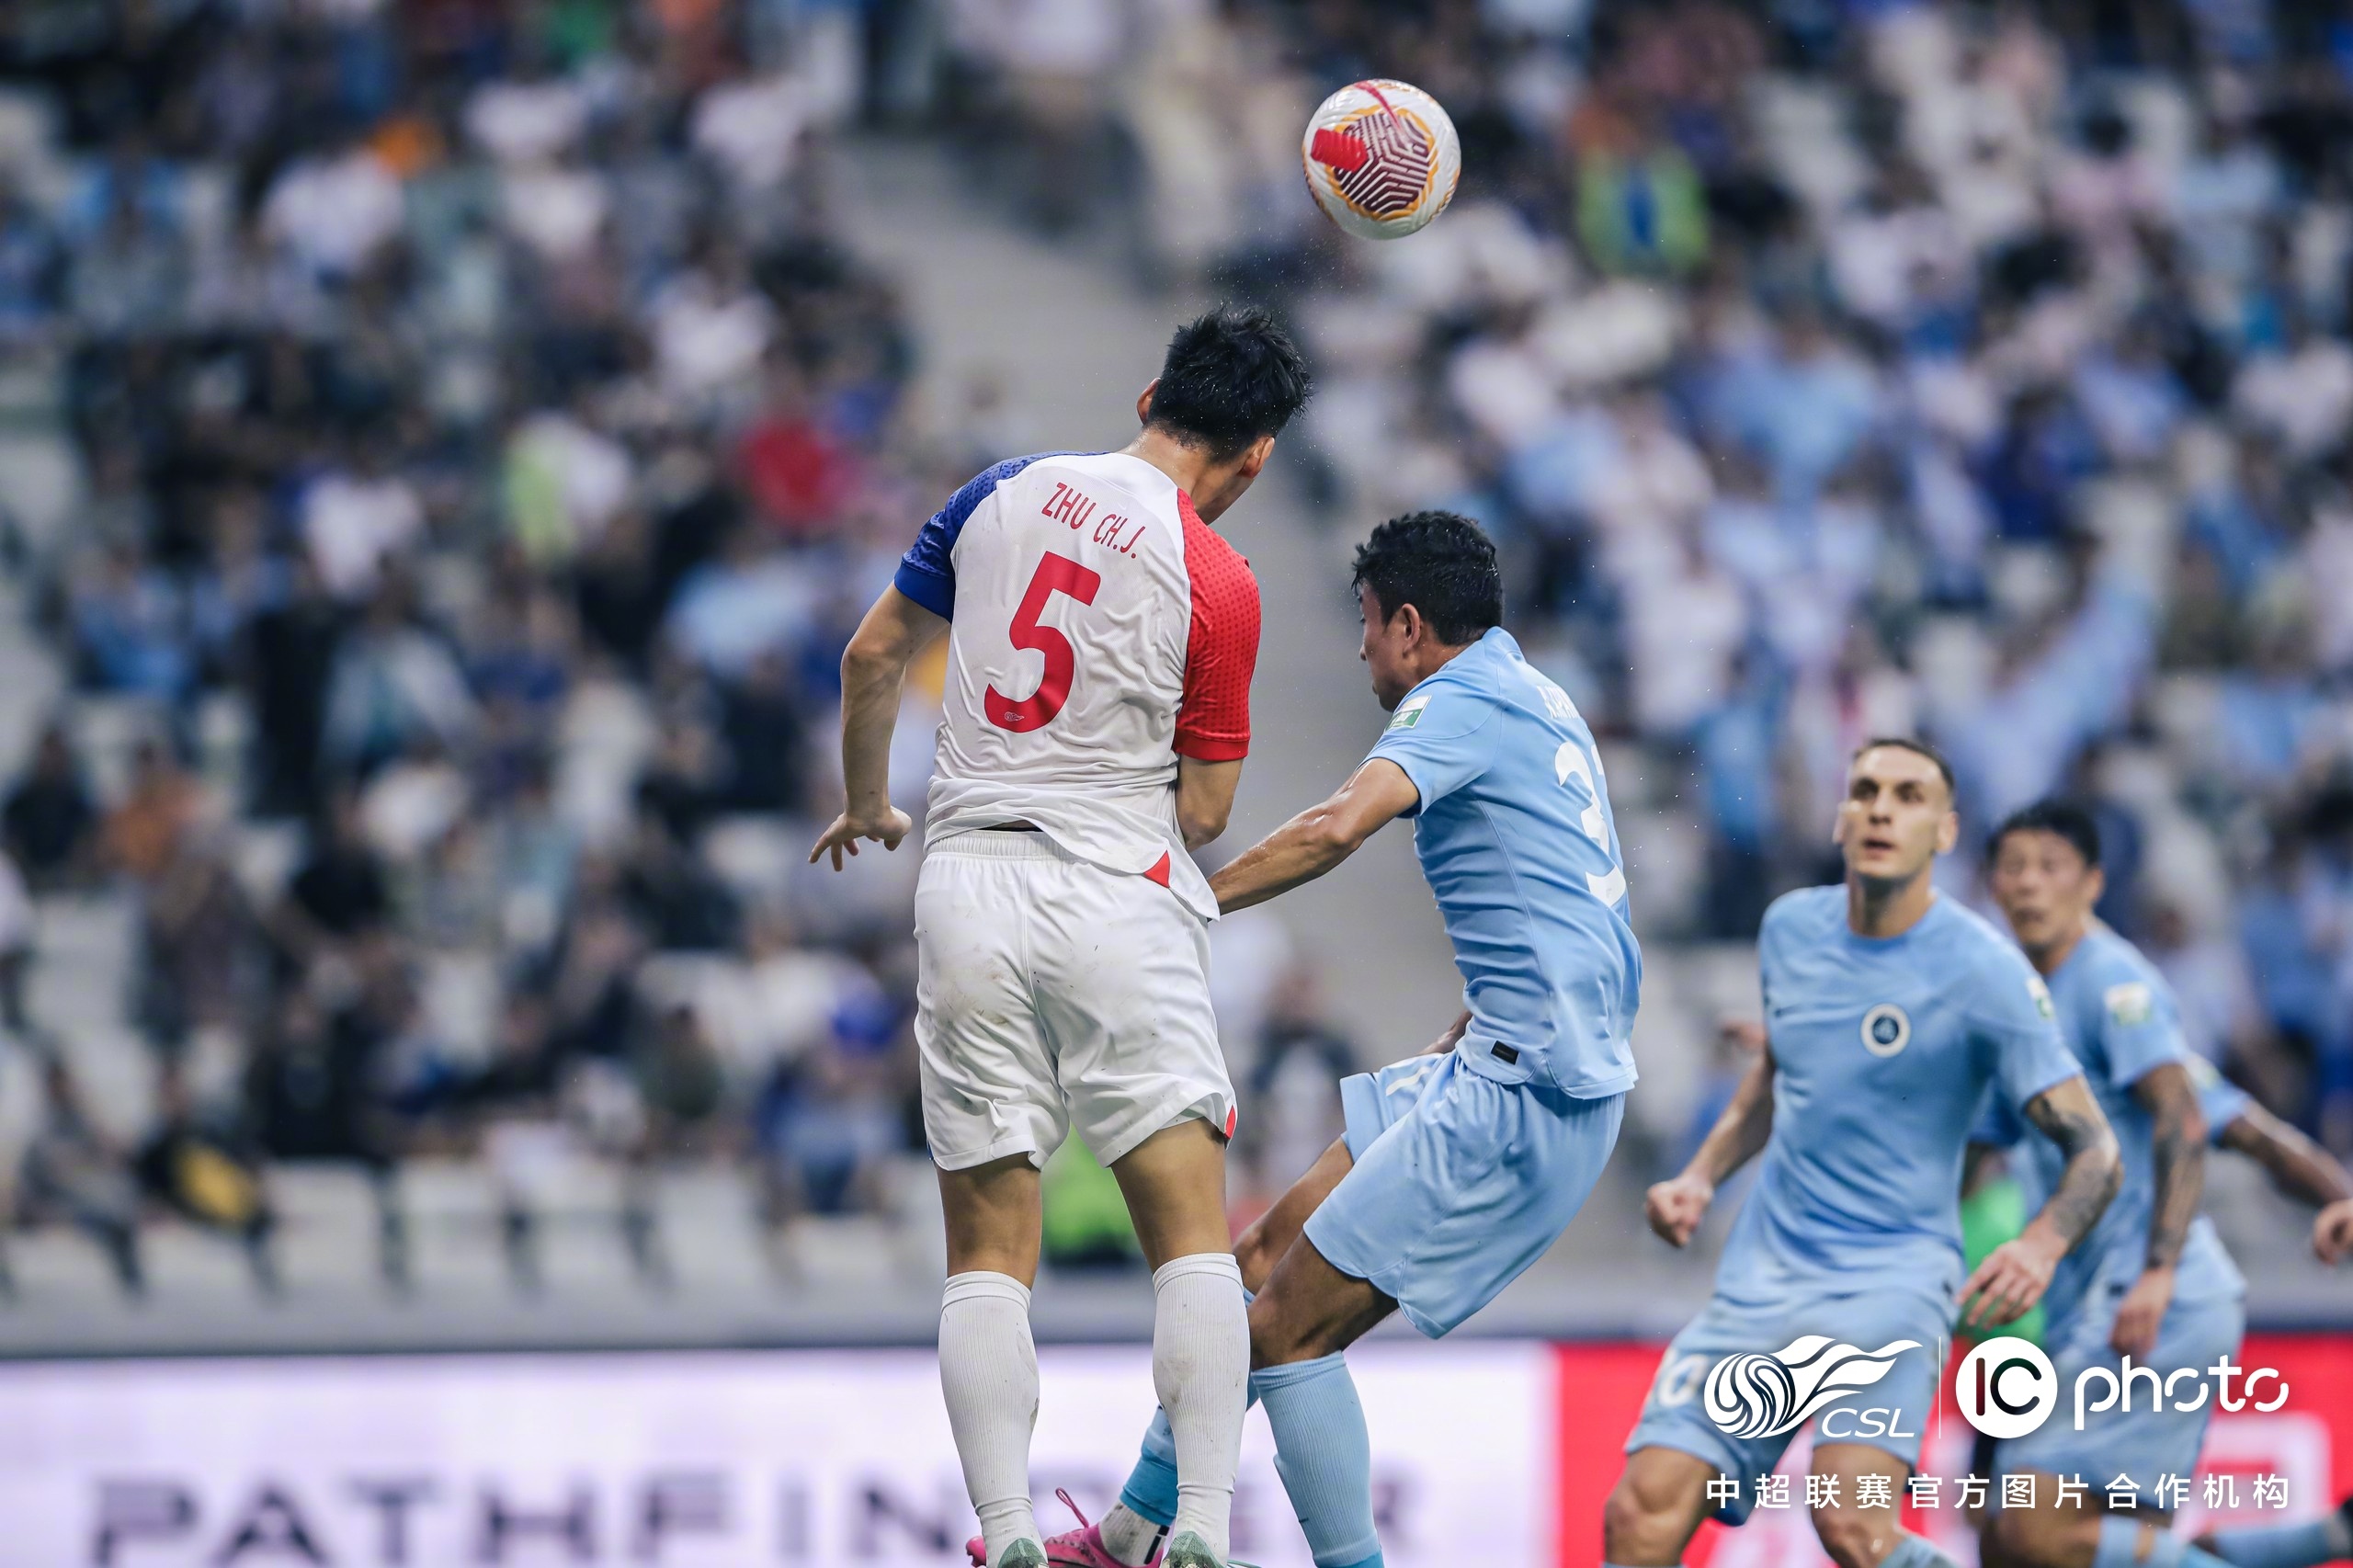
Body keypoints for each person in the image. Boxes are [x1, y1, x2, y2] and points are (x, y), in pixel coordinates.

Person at [809, 304, 1313, 1568]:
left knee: (986, 1248)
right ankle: (1197, 1525)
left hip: (969, 871)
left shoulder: (999, 488)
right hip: (1113, 884)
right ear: (1257, 457)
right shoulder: (1221, 578)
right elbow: (1202, 809)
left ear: (1148, 394)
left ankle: (1009, 1533)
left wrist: (871, 799)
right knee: (1190, 1234)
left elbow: (873, 653)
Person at [1076, 509, 1641, 1568]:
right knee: (1252, 1259)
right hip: (1497, 1055)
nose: (1362, 647)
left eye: (1369, 623)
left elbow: (1337, 824)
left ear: (1413, 626)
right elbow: (1578, 882)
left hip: (1525, 1098)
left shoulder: (1456, 702)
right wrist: (1518, 994)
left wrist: (1183, 895)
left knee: (1288, 1328)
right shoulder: (1539, 693)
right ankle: (1129, 1532)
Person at [1605, 741, 2122, 1568]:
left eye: (1909, 796)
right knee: (1639, 1516)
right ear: (1841, 818)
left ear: (1945, 832)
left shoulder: (1984, 970)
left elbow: (2095, 1144)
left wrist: (2043, 1241)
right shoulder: (1789, 929)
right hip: (1761, 1281)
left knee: (1851, 1527)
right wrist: (1700, 1176)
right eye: (1867, 791)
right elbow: (1777, 1077)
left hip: (1892, 1285)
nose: (1882, 808)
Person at [1970, 800, 2352, 1568]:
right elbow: (2246, 1127)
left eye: (2052, 867)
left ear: (2093, 884)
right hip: (2096, 1311)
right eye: (2013, 868)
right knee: (2029, 1545)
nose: (2030, 885)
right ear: (1991, 886)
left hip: (2153, 1308)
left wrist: (2157, 1272)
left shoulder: (2115, 983)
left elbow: (2184, 1119)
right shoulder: (2026, 1007)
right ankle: (2318, 1541)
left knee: (2024, 1525)